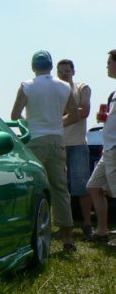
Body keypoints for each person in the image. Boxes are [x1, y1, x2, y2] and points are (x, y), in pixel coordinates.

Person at [11, 50, 79, 250]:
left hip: (35, 141)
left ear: (33, 67)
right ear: (51, 67)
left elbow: (15, 114)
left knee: (33, 187)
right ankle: (68, 238)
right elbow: (74, 115)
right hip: (57, 140)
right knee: (60, 188)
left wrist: (30, 124)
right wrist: (57, 123)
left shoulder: (27, 86)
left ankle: (34, 232)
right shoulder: (64, 86)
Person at [57, 59, 93, 239]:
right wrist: (72, 112)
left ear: (73, 71)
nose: (64, 73)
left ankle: (87, 224)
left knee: (82, 187)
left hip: (78, 144)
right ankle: (64, 224)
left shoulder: (82, 88)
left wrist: (60, 117)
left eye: (67, 70)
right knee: (60, 187)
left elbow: (85, 111)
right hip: (58, 144)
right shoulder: (55, 90)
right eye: (61, 70)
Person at [86, 49, 116, 243]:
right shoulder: (113, 93)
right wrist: (103, 119)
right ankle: (102, 230)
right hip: (108, 149)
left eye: (109, 62)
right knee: (94, 186)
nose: (106, 66)